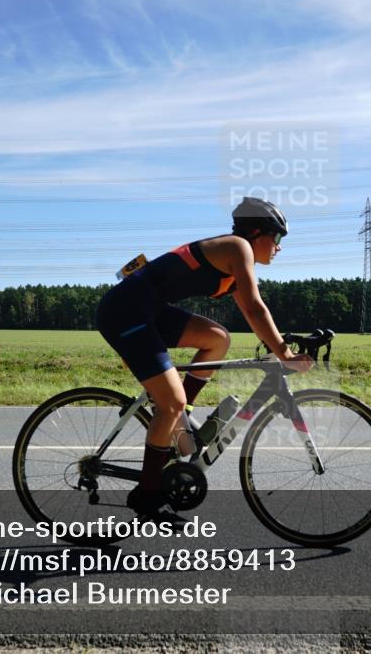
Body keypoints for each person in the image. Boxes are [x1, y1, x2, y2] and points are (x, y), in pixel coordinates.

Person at [96, 197, 314, 513]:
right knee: (170, 402)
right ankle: (147, 495)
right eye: (278, 238)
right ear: (257, 232)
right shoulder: (239, 247)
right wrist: (284, 352)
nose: (279, 247)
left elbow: (254, 314)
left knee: (217, 339)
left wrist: (281, 346)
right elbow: (255, 308)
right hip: (125, 312)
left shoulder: (234, 265)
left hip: (147, 309)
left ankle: (181, 425)